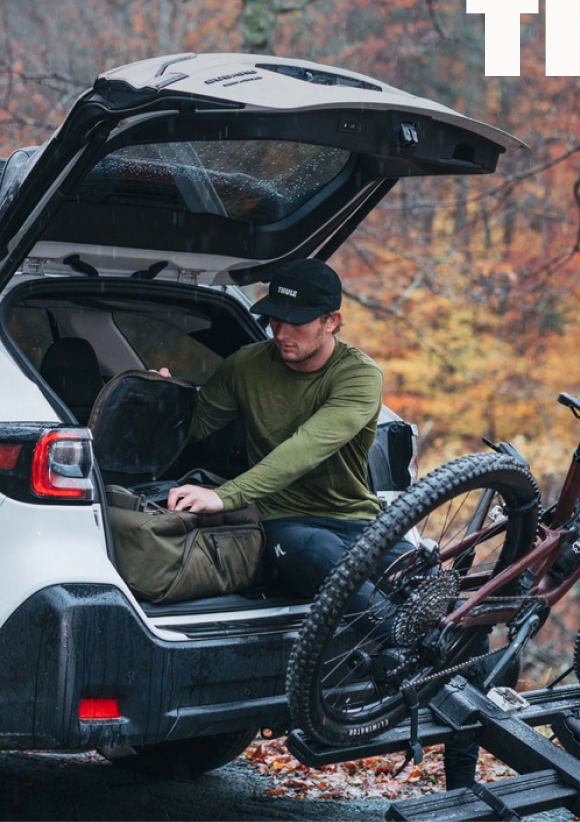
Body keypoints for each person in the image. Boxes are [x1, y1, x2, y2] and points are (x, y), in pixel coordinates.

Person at [164, 258, 480, 790]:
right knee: (321, 561)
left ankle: (462, 786)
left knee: (449, 612)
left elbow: (304, 451)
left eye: (297, 320)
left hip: (356, 517)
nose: (282, 332)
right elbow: (193, 426)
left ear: (333, 321)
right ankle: (403, 656)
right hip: (283, 521)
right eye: (274, 319)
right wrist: (160, 396)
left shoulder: (359, 376)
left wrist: (225, 495)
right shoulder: (246, 365)